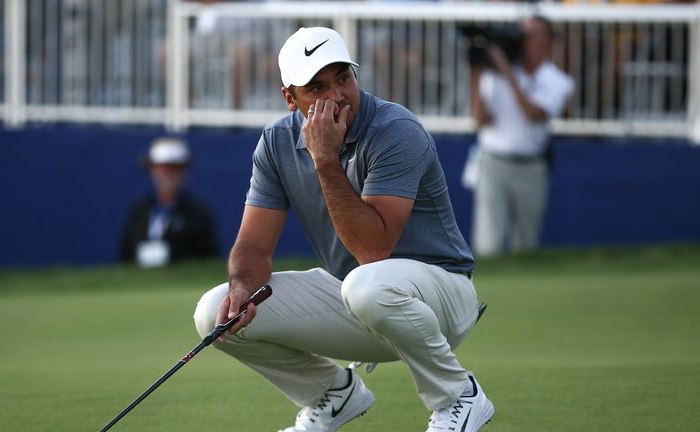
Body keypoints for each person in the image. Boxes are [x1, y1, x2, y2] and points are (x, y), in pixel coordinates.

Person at [193, 27, 494, 432]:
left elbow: (373, 250)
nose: (336, 95)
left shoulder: (395, 129)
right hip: (358, 297)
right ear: (290, 98)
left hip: (441, 296)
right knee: (214, 311)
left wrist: (324, 159)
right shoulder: (276, 142)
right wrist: (242, 288)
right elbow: (253, 244)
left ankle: (458, 395)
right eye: (316, 87)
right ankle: (332, 395)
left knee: (367, 284)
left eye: (343, 78)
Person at [470, 16, 574, 257]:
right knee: (488, 243)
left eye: (532, 34)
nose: (524, 40)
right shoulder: (494, 73)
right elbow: (480, 118)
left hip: (531, 167)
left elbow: (533, 114)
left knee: (527, 243)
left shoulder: (558, 80)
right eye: (523, 34)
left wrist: (506, 69)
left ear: (548, 41)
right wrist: (476, 72)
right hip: (492, 163)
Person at [119, 137, 219, 267]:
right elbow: (126, 256)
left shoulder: (198, 213)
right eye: (162, 168)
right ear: (152, 170)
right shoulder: (139, 211)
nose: (167, 174)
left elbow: (208, 261)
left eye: (174, 168)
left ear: (184, 171)